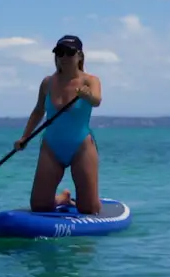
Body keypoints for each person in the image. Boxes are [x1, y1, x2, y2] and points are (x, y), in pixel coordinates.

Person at [13, 34, 103, 214]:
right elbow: (39, 110)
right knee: (39, 207)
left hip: (81, 147)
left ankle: (89, 198)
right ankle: (63, 198)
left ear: (80, 56)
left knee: (89, 209)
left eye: (69, 52)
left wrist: (87, 95)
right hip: (51, 148)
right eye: (59, 53)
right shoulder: (47, 82)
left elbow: (97, 100)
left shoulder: (90, 80)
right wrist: (25, 137)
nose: (64, 57)